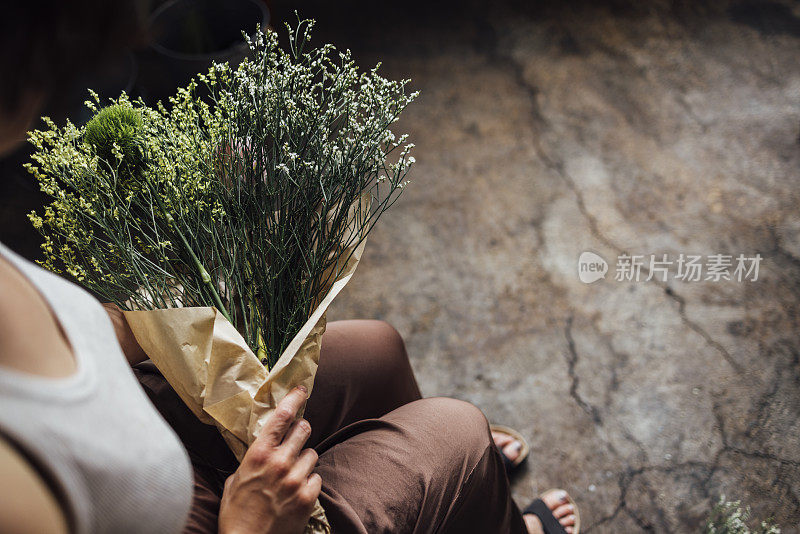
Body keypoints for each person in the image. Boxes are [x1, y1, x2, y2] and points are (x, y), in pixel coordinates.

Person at [0, 2, 579, 533]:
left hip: (147, 410)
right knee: (459, 431)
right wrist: (250, 523)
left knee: (378, 351)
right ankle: (470, 490)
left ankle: (460, 506)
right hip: (206, 517)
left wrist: (183, 276)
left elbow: (77, 334)